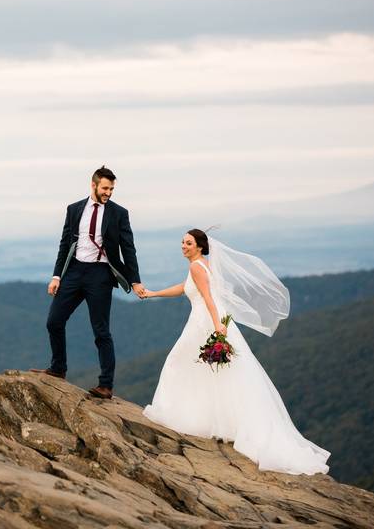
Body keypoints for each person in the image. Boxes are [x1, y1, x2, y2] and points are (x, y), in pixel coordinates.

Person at [140, 229, 330, 475]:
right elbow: (186, 288)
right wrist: (154, 293)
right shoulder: (202, 265)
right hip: (211, 319)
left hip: (204, 321)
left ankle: (186, 414)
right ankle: (217, 420)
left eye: (188, 243)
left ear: (199, 246)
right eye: (182, 242)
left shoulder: (197, 267)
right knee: (215, 371)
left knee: (179, 363)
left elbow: (207, 297)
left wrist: (217, 325)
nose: (183, 246)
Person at [30, 165, 145, 399]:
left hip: (101, 274)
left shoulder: (119, 213)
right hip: (74, 272)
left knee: (101, 331)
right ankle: (58, 369)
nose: (109, 193)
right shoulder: (74, 209)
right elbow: (65, 244)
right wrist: (56, 276)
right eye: (105, 188)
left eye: (111, 189)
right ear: (93, 185)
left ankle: (106, 385)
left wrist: (135, 281)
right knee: (54, 321)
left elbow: (128, 248)